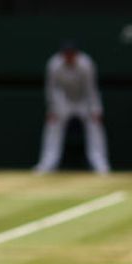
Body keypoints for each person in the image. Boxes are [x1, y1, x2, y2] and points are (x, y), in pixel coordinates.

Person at [34, 41, 110, 174]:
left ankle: (100, 164)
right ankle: (47, 164)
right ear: (62, 55)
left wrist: (96, 109)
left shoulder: (86, 64)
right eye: (66, 54)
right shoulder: (54, 65)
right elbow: (51, 89)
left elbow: (91, 88)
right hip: (63, 101)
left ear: (76, 54)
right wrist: (52, 109)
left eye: (71, 54)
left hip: (83, 100)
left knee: (95, 125)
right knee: (53, 125)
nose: (68, 57)